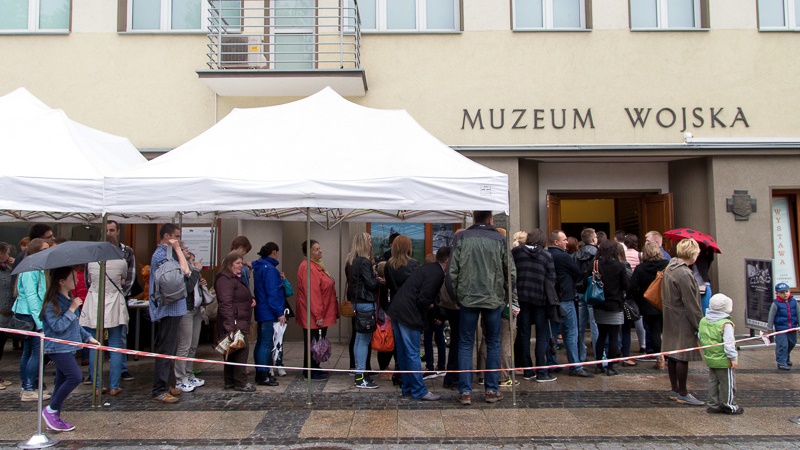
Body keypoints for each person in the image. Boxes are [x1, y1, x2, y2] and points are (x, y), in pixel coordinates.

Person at [451, 211, 509, 405]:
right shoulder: (500, 238)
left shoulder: (462, 237)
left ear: (474, 218)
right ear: (490, 219)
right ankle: (491, 390)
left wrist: (456, 297)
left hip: (467, 298)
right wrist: (508, 296)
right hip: (493, 298)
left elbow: (452, 271)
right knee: (493, 342)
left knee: (466, 343)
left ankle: (465, 391)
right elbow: (510, 271)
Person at [40, 266, 100, 432]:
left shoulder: (69, 298)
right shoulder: (53, 303)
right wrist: (72, 309)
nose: (78, 280)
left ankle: (55, 416)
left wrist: (88, 337)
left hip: (68, 347)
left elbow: (75, 325)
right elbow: (57, 327)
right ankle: (51, 410)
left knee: (61, 381)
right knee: (75, 377)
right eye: (73, 278)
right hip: (58, 347)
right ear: (61, 281)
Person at [386, 246, 450, 401]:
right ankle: (419, 390)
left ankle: (407, 388)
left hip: (397, 309)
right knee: (413, 352)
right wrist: (434, 315)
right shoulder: (437, 274)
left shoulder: (428, 268)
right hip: (409, 314)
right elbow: (424, 299)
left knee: (403, 352)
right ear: (448, 260)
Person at [80, 236, 129, 396]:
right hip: (114, 302)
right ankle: (114, 385)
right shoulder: (121, 262)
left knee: (95, 345)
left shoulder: (92, 262)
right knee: (115, 345)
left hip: (94, 302)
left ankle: (97, 385)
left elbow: (89, 281)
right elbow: (124, 278)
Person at [149, 224, 189, 403]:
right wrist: (179, 250)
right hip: (168, 308)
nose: (179, 240)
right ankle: (159, 389)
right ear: (167, 236)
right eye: (177, 236)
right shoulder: (160, 257)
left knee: (171, 347)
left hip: (174, 308)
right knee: (165, 347)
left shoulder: (167, 255)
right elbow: (184, 271)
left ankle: (168, 384)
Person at [661, 238, 704, 406]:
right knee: (682, 356)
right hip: (682, 318)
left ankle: (675, 389)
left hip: (670, 315)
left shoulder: (670, 267)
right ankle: (683, 392)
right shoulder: (684, 273)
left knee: (672, 355)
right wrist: (701, 324)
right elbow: (691, 304)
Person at [513, 229, 557, 383]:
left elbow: (512, 274)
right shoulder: (546, 255)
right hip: (541, 300)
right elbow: (552, 279)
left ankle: (527, 369)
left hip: (522, 298)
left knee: (524, 334)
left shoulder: (517, 252)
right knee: (541, 336)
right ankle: (542, 371)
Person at [548, 230, 593, 378]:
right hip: (565, 298)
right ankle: (575, 365)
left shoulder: (547, 255)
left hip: (551, 299)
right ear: (557, 242)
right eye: (564, 239)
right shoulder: (563, 256)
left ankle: (551, 363)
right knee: (571, 332)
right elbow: (577, 272)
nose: (567, 242)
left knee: (552, 333)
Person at [12, 238, 50, 402]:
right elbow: (32, 297)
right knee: (35, 352)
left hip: (28, 313)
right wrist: (40, 322)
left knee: (28, 352)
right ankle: (28, 388)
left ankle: (27, 386)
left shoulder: (36, 268)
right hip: (29, 315)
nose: (48, 251)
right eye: (44, 249)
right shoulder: (31, 269)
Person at [296, 239, 338, 381]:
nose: (320, 251)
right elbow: (312, 293)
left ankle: (315, 367)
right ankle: (310, 371)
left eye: (319, 248)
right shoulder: (309, 267)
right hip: (314, 314)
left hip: (319, 311)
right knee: (312, 342)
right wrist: (318, 314)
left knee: (317, 341)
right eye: (316, 249)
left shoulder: (316, 266)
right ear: (309, 252)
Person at [345, 232, 383, 389]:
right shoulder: (364, 262)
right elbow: (370, 284)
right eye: (369, 241)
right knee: (363, 341)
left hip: (356, 302)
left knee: (359, 340)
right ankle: (361, 375)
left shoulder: (352, 261)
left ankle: (359, 372)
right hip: (366, 302)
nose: (371, 244)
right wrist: (379, 281)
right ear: (363, 243)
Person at [215, 251, 256, 392]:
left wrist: (250, 299)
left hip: (239, 319)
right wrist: (230, 325)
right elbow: (225, 303)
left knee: (232, 350)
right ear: (229, 264)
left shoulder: (233, 278)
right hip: (234, 321)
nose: (241, 266)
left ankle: (231, 381)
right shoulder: (225, 280)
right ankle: (240, 382)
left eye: (241, 262)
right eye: (238, 263)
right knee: (240, 350)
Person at [699, 293, 742, 415]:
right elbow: (729, 343)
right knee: (727, 383)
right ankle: (729, 405)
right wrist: (733, 357)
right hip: (723, 359)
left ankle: (713, 404)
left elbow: (700, 336)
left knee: (713, 382)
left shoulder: (703, 320)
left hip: (710, 357)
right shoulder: (725, 324)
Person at [384, 235, 419, 382]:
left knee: (401, 349)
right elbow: (417, 288)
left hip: (395, 309)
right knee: (412, 350)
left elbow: (390, 287)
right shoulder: (414, 264)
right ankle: (417, 385)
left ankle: (404, 382)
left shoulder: (387, 266)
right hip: (410, 310)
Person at [629, 242, 669, 370]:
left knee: (654, 331)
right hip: (665, 302)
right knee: (667, 331)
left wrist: (639, 299)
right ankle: (669, 355)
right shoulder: (666, 265)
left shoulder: (641, 268)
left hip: (648, 303)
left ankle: (659, 359)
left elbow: (633, 287)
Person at [173, 243, 206, 392]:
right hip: (186, 309)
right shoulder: (183, 269)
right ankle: (180, 378)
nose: (187, 249)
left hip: (196, 309)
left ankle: (189, 373)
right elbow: (186, 287)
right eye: (185, 249)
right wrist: (196, 272)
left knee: (193, 345)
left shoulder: (192, 269)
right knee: (184, 345)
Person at [107, 219, 137, 381]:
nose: (109, 233)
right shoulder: (95, 253)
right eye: (107, 230)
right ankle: (95, 373)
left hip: (119, 298)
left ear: (118, 231)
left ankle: (122, 368)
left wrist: (121, 293)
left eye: (112, 230)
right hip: (100, 298)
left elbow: (131, 276)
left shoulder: (127, 251)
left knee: (120, 336)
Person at [252, 242, 286, 386]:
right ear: (274, 252)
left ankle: (261, 372)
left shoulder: (259, 267)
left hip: (262, 309)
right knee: (266, 343)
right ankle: (263, 374)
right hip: (269, 311)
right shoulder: (270, 269)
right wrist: (279, 312)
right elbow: (272, 293)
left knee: (261, 342)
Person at [594, 241, 630, 376]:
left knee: (601, 335)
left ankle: (598, 365)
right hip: (615, 303)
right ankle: (611, 367)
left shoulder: (596, 264)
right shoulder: (619, 266)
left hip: (599, 302)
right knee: (614, 336)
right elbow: (626, 285)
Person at [574, 228, 599, 363]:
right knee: (594, 323)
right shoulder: (597, 254)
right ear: (593, 239)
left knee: (580, 324)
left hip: (579, 290)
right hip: (593, 290)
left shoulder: (576, 254)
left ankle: (581, 355)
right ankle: (598, 355)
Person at [768, 282, 797, 371]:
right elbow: (771, 316)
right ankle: (781, 362)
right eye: (782, 292)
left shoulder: (794, 302)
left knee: (792, 343)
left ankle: (786, 357)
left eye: (787, 292)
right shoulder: (776, 304)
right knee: (782, 345)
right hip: (781, 329)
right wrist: (769, 328)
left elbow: (798, 314)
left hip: (792, 328)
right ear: (777, 294)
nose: (785, 294)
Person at [0, 242, 15, 388]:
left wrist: (14, 264)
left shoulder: (6, 268)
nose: (8, 255)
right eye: (7, 253)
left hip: (6, 315)